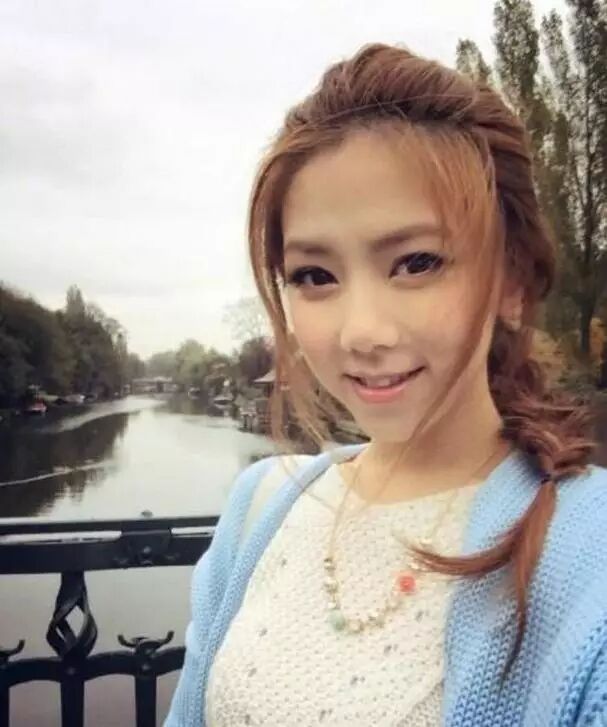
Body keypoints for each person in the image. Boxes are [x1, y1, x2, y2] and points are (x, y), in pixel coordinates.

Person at [165, 43, 607, 726]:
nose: (361, 332)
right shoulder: (263, 506)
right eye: (315, 276)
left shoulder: (587, 558)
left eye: (416, 262)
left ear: (512, 281)